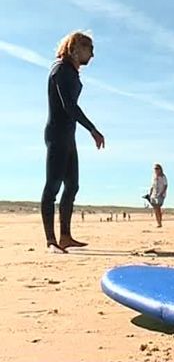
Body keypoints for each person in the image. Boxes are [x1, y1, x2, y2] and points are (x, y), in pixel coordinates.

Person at [41, 30, 105, 254]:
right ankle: (51, 241)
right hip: (58, 134)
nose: (92, 55)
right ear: (77, 48)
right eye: (90, 49)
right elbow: (69, 105)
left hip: (68, 135)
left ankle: (65, 236)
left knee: (73, 185)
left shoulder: (71, 72)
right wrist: (93, 129)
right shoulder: (60, 69)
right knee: (53, 187)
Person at [148, 164, 167, 228]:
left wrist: (162, 192)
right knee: (156, 208)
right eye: (155, 169)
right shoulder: (154, 177)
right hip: (154, 194)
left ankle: (159, 222)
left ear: (160, 169)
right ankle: (159, 222)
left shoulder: (163, 176)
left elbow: (165, 185)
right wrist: (150, 193)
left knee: (158, 207)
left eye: (157, 168)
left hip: (160, 194)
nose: (156, 170)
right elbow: (153, 186)